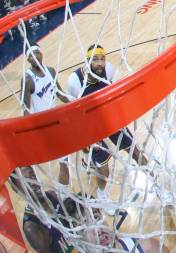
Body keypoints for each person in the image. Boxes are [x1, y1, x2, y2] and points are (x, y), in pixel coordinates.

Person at [66, 45, 149, 206]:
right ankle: (102, 194)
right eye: (95, 59)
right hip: (88, 127)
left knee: (136, 152)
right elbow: (72, 114)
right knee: (104, 170)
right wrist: (84, 143)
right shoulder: (74, 81)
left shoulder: (109, 69)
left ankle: (158, 185)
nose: (100, 63)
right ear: (88, 61)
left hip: (107, 119)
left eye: (102, 59)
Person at [21, 44, 70, 184]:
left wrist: (77, 102)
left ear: (41, 54)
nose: (34, 56)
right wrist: (29, 132)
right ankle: (63, 195)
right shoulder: (28, 79)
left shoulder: (51, 71)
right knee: (64, 162)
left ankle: (87, 160)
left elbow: (60, 94)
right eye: (30, 55)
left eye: (36, 52)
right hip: (43, 126)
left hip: (56, 121)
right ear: (28, 60)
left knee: (67, 159)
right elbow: (25, 108)